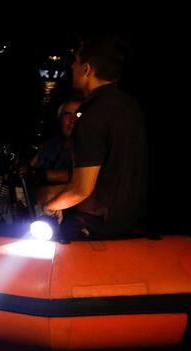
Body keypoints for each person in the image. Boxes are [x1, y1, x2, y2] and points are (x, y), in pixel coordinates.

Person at [42, 34, 147, 240]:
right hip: (128, 228)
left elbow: (81, 189)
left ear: (86, 69)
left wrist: (50, 206)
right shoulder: (131, 107)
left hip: (92, 230)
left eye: (76, 62)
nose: (72, 67)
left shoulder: (92, 114)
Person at [30, 96, 83, 185]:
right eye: (67, 114)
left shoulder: (89, 149)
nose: (73, 120)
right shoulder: (48, 145)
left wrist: (42, 174)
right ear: (60, 119)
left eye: (79, 114)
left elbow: (82, 177)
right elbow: (29, 167)